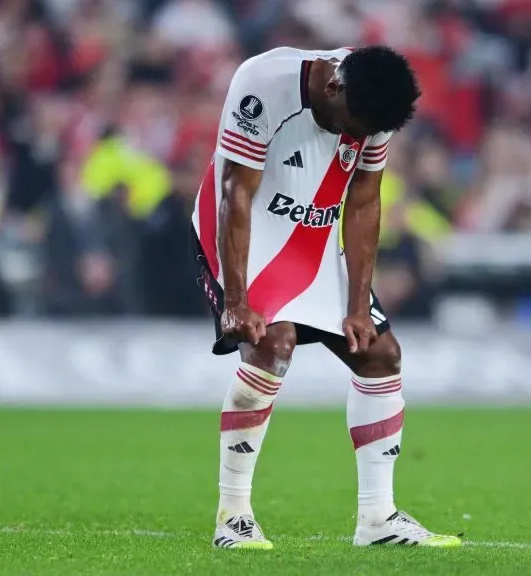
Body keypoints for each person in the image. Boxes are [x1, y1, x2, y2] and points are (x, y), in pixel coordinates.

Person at [192, 45, 459, 549]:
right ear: (333, 87)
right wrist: (236, 298)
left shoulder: (373, 98)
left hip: (312, 233)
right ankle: (233, 516)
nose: (357, 139)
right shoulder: (264, 81)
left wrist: (359, 306)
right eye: (353, 126)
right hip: (241, 224)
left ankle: (378, 520)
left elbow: (362, 199)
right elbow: (237, 193)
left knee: (380, 354)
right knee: (273, 343)